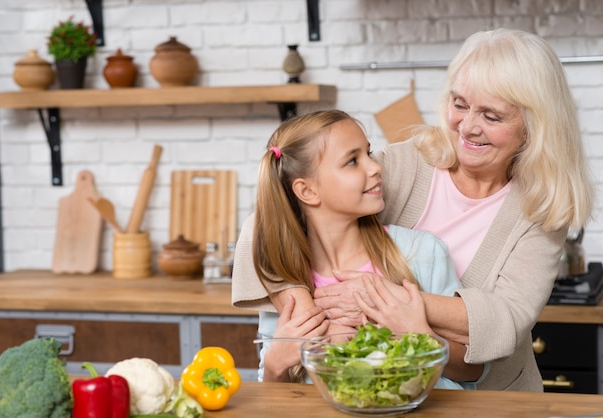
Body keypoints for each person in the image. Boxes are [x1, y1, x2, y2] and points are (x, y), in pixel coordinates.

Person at [232, 28, 595, 392]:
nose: (468, 127)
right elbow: (273, 218)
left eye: (492, 116)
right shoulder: (406, 164)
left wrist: (387, 305)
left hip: (495, 400)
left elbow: (506, 324)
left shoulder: (541, 208)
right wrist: (298, 310)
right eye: (459, 104)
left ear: (533, 127)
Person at [247, 109, 483, 388]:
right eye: (351, 161)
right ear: (307, 191)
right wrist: (276, 363)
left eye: (368, 154)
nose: (375, 167)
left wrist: (414, 334)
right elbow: (274, 397)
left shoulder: (420, 253)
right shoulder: (287, 276)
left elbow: (473, 370)